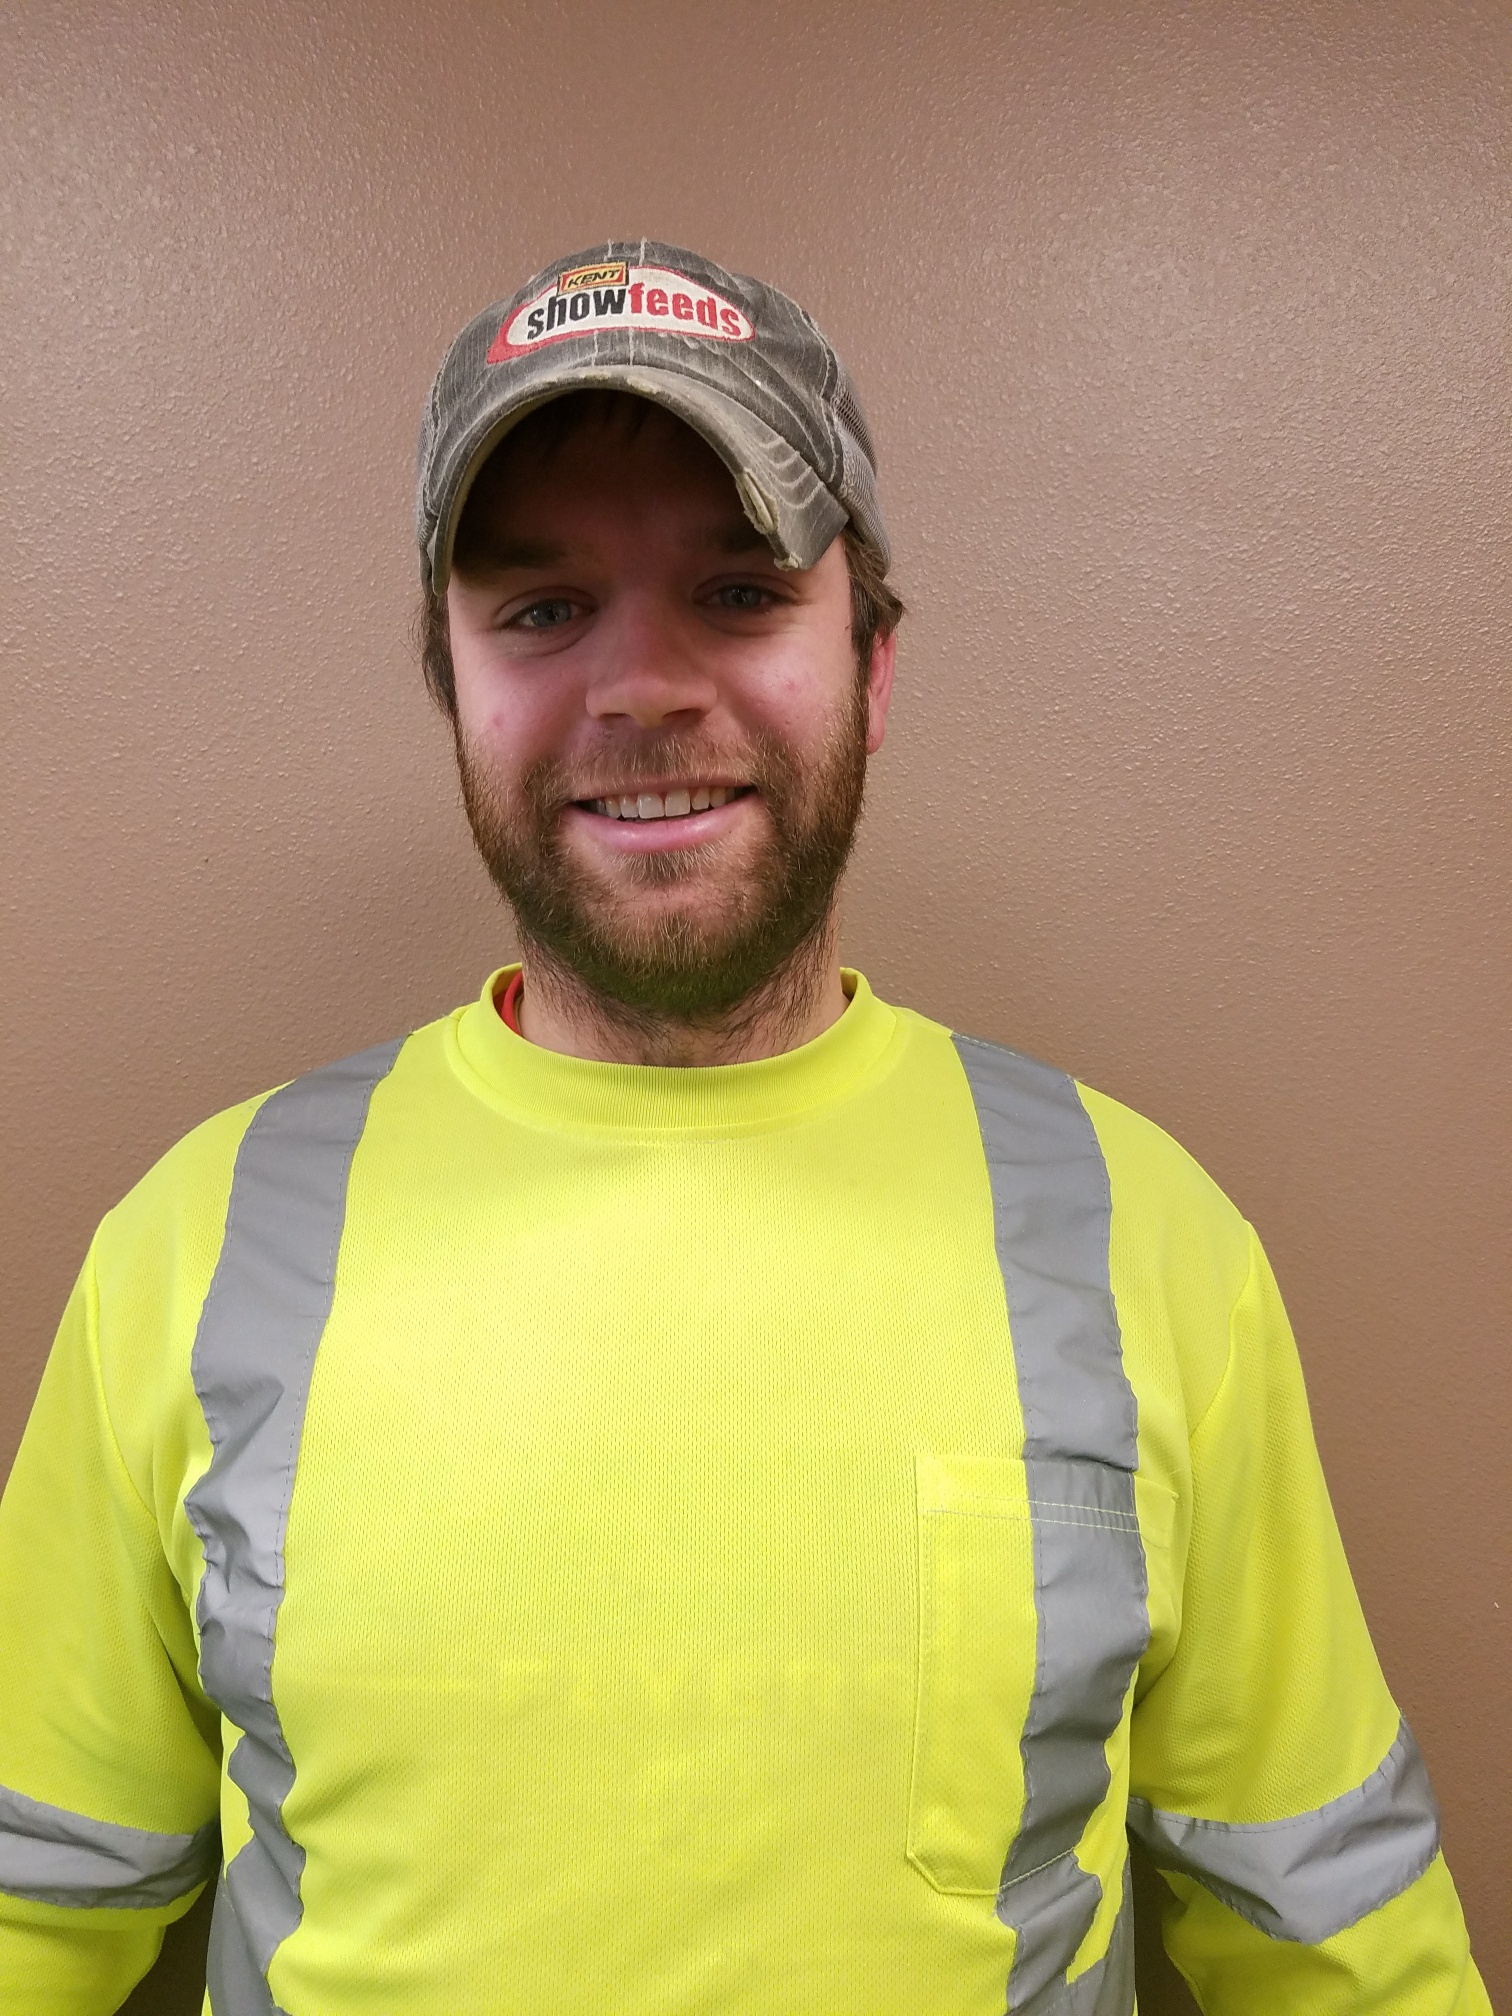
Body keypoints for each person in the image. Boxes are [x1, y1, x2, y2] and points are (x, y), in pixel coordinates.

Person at [0, 239, 1488, 2016]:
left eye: (737, 590)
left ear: (872, 664)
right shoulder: (203, 1239)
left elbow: (1334, 1937)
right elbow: (32, 1897)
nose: (642, 687)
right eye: (541, 610)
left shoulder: (1137, 1232)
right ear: (452, 684)